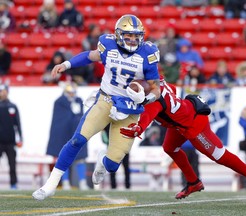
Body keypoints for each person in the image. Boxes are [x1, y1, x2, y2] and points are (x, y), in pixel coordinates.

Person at [32, 14, 161, 201]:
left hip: (130, 109)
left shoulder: (147, 54)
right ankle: (50, 184)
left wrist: (146, 98)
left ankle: (103, 160)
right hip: (106, 101)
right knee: (77, 140)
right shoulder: (108, 45)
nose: (133, 40)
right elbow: (90, 56)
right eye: (128, 35)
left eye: (136, 36)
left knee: (113, 164)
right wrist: (66, 64)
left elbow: (155, 87)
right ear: (118, 35)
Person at [120, 77, 246, 200]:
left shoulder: (153, 104)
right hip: (182, 119)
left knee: (219, 155)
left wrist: (138, 128)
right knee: (169, 148)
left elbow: (146, 118)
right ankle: (193, 182)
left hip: (193, 123)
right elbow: (171, 88)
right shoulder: (156, 81)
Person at [46, 82, 89, 190]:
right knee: (64, 158)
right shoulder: (59, 102)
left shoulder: (79, 100)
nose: (71, 95)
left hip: (76, 133)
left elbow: (81, 117)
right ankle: (65, 182)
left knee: (81, 159)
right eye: (69, 92)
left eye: (72, 92)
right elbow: (59, 121)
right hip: (63, 134)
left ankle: (82, 182)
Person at [0, 83, 23, 189]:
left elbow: (17, 124)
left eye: (3, 91)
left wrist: (20, 139)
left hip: (10, 141)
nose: (2, 93)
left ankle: (13, 184)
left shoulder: (12, 106)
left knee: (12, 165)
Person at [101, 125, 130, 189]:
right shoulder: (108, 124)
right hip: (118, 147)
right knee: (122, 167)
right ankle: (122, 186)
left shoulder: (108, 123)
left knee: (124, 167)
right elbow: (104, 139)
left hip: (117, 147)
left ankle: (121, 186)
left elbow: (104, 139)